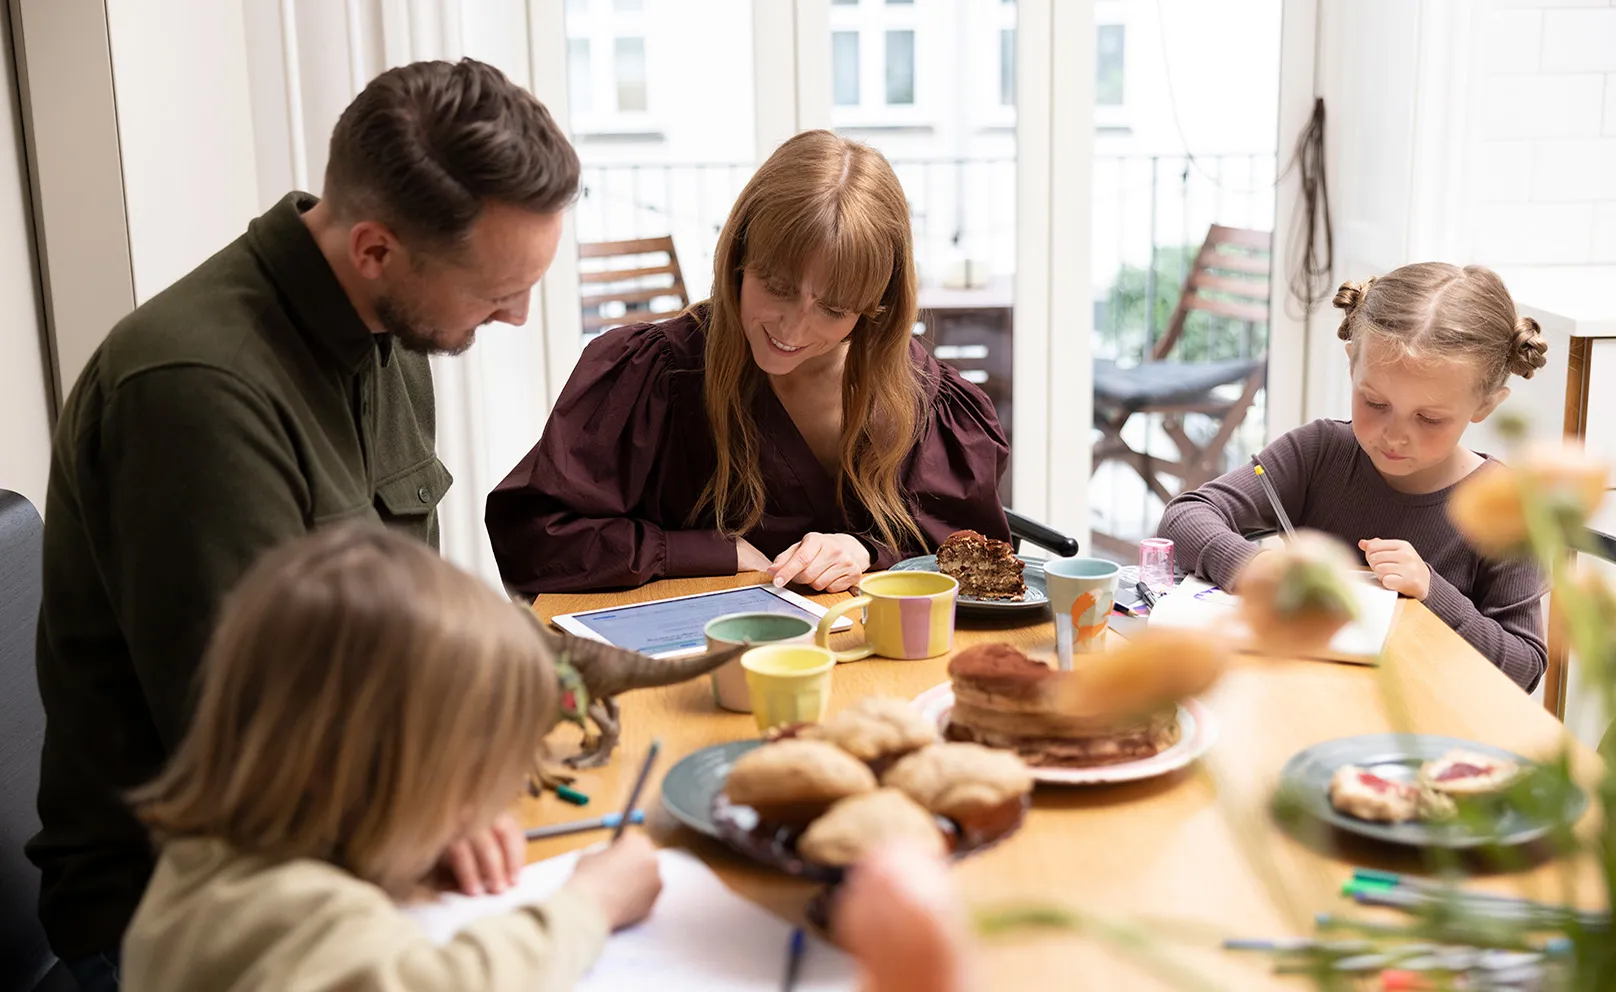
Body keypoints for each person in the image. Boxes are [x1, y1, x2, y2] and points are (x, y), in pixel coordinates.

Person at [28, 58, 579, 987]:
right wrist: (441, 806)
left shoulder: (392, 330)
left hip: (358, 844)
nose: (519, 316)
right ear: (375, 250)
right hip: (190, 920)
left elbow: (395, 644)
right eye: (495, 293)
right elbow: (250, 745)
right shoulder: (193, 392)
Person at [119, 525, 662, 991]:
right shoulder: (303, 922)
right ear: (340, 769)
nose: (475, 817)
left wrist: (414, 841)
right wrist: (590, 904)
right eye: (466, 790)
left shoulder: (204, 863)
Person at [486, 129, 1011, 596]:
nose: (793, 330)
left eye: (833, 310)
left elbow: (976, 565)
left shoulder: (928, 403)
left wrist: (868, 553)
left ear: (876, 308)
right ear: (738, 257)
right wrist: (710, 552)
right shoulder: (653, 375)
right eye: (776, 287)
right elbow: (533, 539)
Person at [1158, 263, 1549, 691]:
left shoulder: (1507, 508)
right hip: (1300, 697)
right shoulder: (1320, 452)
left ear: (1486, 404)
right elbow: (1185, 516)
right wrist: (1252, 565)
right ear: (1352, 364)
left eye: (1429, 418)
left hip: (1424, 718)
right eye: (1375, 403)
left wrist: (1431, 591)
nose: (1395, 436)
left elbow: (1524, 668)